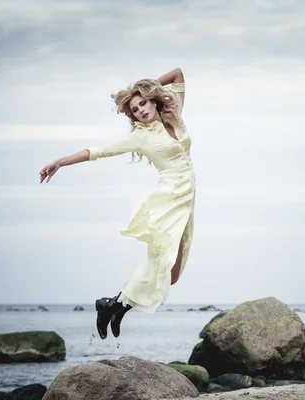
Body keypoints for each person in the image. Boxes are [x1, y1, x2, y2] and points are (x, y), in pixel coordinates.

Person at [39, 68, 195, 339]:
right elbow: (98, 151)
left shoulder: (175, 115)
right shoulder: (140, 137)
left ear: (153, 100)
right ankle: (114, 304)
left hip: (186, 200)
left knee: (174, 273)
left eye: (143, 103)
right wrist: (59, 162)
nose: (141, 111)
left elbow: (179, 74)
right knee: (162, 265)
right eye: (135, 110)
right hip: (167, 200)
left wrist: (147, 89)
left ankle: (116, 306)